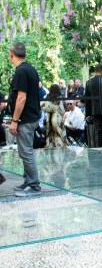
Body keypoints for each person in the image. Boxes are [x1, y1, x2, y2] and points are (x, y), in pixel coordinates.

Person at [8, 42, 42, 196]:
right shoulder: (31, 69)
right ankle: (28, 181)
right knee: (24, 151)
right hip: (32, 116)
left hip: (26, 119)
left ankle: (34, 186)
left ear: (11, 54)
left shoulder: (21, 71)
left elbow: (21, 98)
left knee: (26, 152)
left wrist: (14, 121)